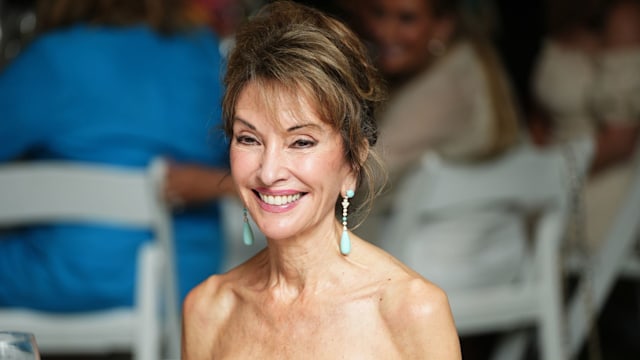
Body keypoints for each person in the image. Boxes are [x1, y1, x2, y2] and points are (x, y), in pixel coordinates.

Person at [181, 2, 462, 359]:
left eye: (301, 142)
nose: (268, 172)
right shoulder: (208, 310)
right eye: (249, 139)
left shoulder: (410, 311)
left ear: (352, 161)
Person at [0, 0, 234, 311]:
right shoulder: (202, 51)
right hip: (180, 284)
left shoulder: (51, 58)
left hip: (58, 277)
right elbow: (241, 158)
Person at [532, 0, 640, 249]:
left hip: (601, 178)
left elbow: (620, 142)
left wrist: (545, 177)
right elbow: (541, 116)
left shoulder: (624, 17)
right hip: (547, 171)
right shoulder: (561, 14)